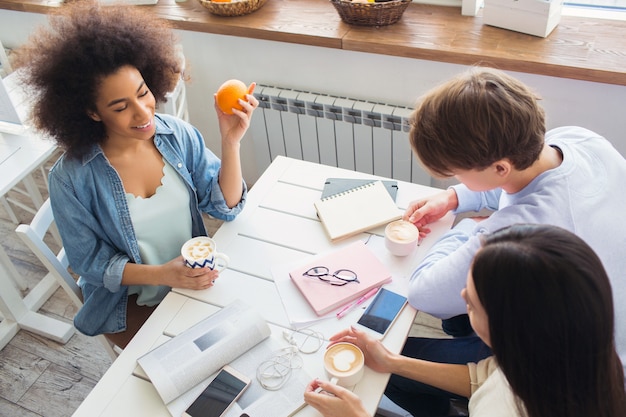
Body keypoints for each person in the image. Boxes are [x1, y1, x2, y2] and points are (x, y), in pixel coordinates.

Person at [381, 66, 626, 415]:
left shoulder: (520, 231)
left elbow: (423, 293)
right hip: (592, 312)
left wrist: (469, 228)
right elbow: (520, 186)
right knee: (460, 314)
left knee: (395, 360)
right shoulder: (578, 140)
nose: (454, 178)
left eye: (456, 172)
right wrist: (455, 198)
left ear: (498, 169)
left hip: (587, 369)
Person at [13, 1, 258, 348]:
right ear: (92, 113)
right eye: (120, 106)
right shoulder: (71, 179)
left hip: (197, 282)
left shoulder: (177, 135)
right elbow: (89, 263)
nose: (143, 112)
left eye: (143, 93)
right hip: (130, 304)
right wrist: (162, 275)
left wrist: (230, 142)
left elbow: (226, 207)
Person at [304, 224, 626, 417]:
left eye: (471, 302)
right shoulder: (568, 352)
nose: (461, 298)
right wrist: (392, 362)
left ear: (510, 330)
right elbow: (485, 378)